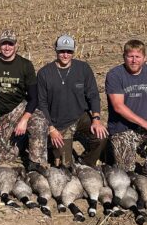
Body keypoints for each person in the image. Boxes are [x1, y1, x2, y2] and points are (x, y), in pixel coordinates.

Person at [0, 29, 47, 166]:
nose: (7, 47)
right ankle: (20, 144)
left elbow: (34, 98)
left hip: (18, 109)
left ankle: (36, 163)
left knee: (40, 121)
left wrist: (24, 120)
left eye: (10, 43)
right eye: (4, 43)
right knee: (4, 159)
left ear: (16, 45)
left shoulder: (26, 65)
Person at [37, 35, 108, 168]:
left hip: (80, 116)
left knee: (101, 136)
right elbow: (42, 103)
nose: (65, 55)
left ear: (74, 51)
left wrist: (96, 119)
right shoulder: (44, 73)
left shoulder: (83, 68)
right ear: (56, 50)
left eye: (69, 51)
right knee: (65, 165)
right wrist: (51, 129)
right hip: (59, 122)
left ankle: (86, 163)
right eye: (62, 51)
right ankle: (59, 156)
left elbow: (93, 95)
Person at [105, 39, 147, 176]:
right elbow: (118, 106)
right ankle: (119, 162)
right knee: (126, 172)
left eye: (138, 57)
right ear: (124, 57)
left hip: (144, 126)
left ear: (145, 58)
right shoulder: (115, 75)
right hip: (121, 129)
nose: (134, 60)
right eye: (130, 56)